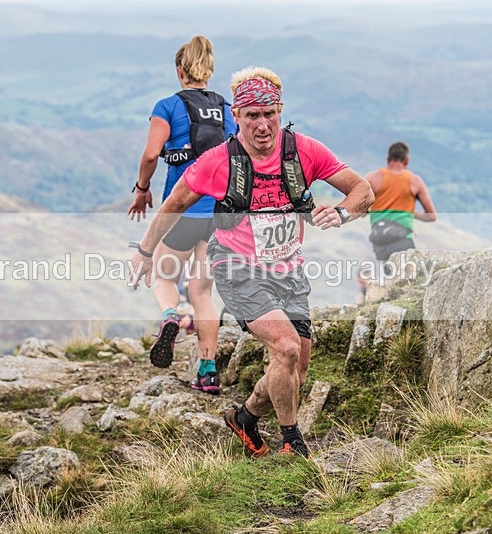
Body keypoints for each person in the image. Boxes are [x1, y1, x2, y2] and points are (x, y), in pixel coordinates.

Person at [129, 67, 374, 458]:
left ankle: (244, 417)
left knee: (295, 369)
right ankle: (293, 443)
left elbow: (363, 190)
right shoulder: (218, 161)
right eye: (251, 116)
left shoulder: (304, 151)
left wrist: (344, 212)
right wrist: (145, 251)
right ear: (237, 117)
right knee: (287, 347)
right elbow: (174, 204)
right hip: (237, 267)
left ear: (280, 111)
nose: (262, 125)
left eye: (269, 114)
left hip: (288, 269)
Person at [127, 35, 237, 395]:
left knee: (163, 276)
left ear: (180, 71)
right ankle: (207, 370)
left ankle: (170, 317)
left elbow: (149, 155)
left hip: (183, 211)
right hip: (219, 214)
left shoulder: (167, 106)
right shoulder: (225, 109)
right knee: (203, 292)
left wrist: (142, 188)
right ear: (210, 70)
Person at [364, 141, 437, 264]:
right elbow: (431, 216)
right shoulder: (415, 181)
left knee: (390, 278)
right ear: (406, 161)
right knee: (408, 281)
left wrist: (371, 210)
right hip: (402, 240)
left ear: (388, 159)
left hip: (380, 241)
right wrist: (410, 213)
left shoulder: (372, 177)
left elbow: (360, 209)